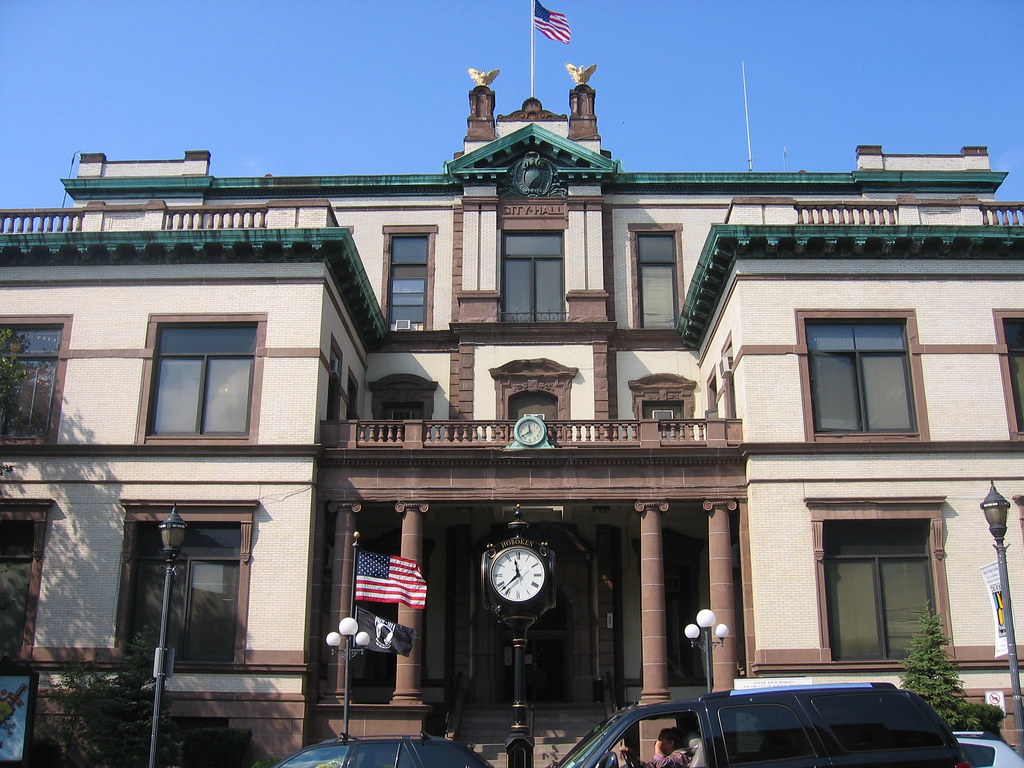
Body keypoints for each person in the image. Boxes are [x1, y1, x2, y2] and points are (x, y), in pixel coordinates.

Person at [619, 728, 689, 768]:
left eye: (661, 742)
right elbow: (649, 766)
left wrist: (657, 749)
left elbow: (662, 764)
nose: (658, 744)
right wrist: (632, 755)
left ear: (671, 743)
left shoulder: (681, 756)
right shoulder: (668, 757)